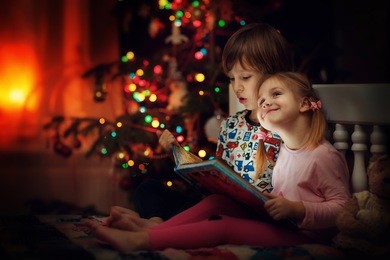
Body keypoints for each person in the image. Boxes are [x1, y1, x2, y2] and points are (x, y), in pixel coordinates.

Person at [85, 72, 351, 252]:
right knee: (217, 202)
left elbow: (343, 211)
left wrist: (297, 209)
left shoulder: (323, 156)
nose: (265, 102)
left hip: (304, 236)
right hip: (283, 223)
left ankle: (142, 240)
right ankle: (158, 228)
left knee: (224, 226)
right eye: (262, 100)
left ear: (305, 104)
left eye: (276, 94)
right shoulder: (285, 150)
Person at [133, 22, 294, 221]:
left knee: (213, 206)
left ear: (274, 75)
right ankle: (158, 223)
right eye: (232, 79)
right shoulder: (231, 124)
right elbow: (218, 177)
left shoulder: (285, 126)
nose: (237, 87)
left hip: (249, 214)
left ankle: (158, 227)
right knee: (148, 188)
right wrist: (179, 154)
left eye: (245, 77)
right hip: (216, 203)